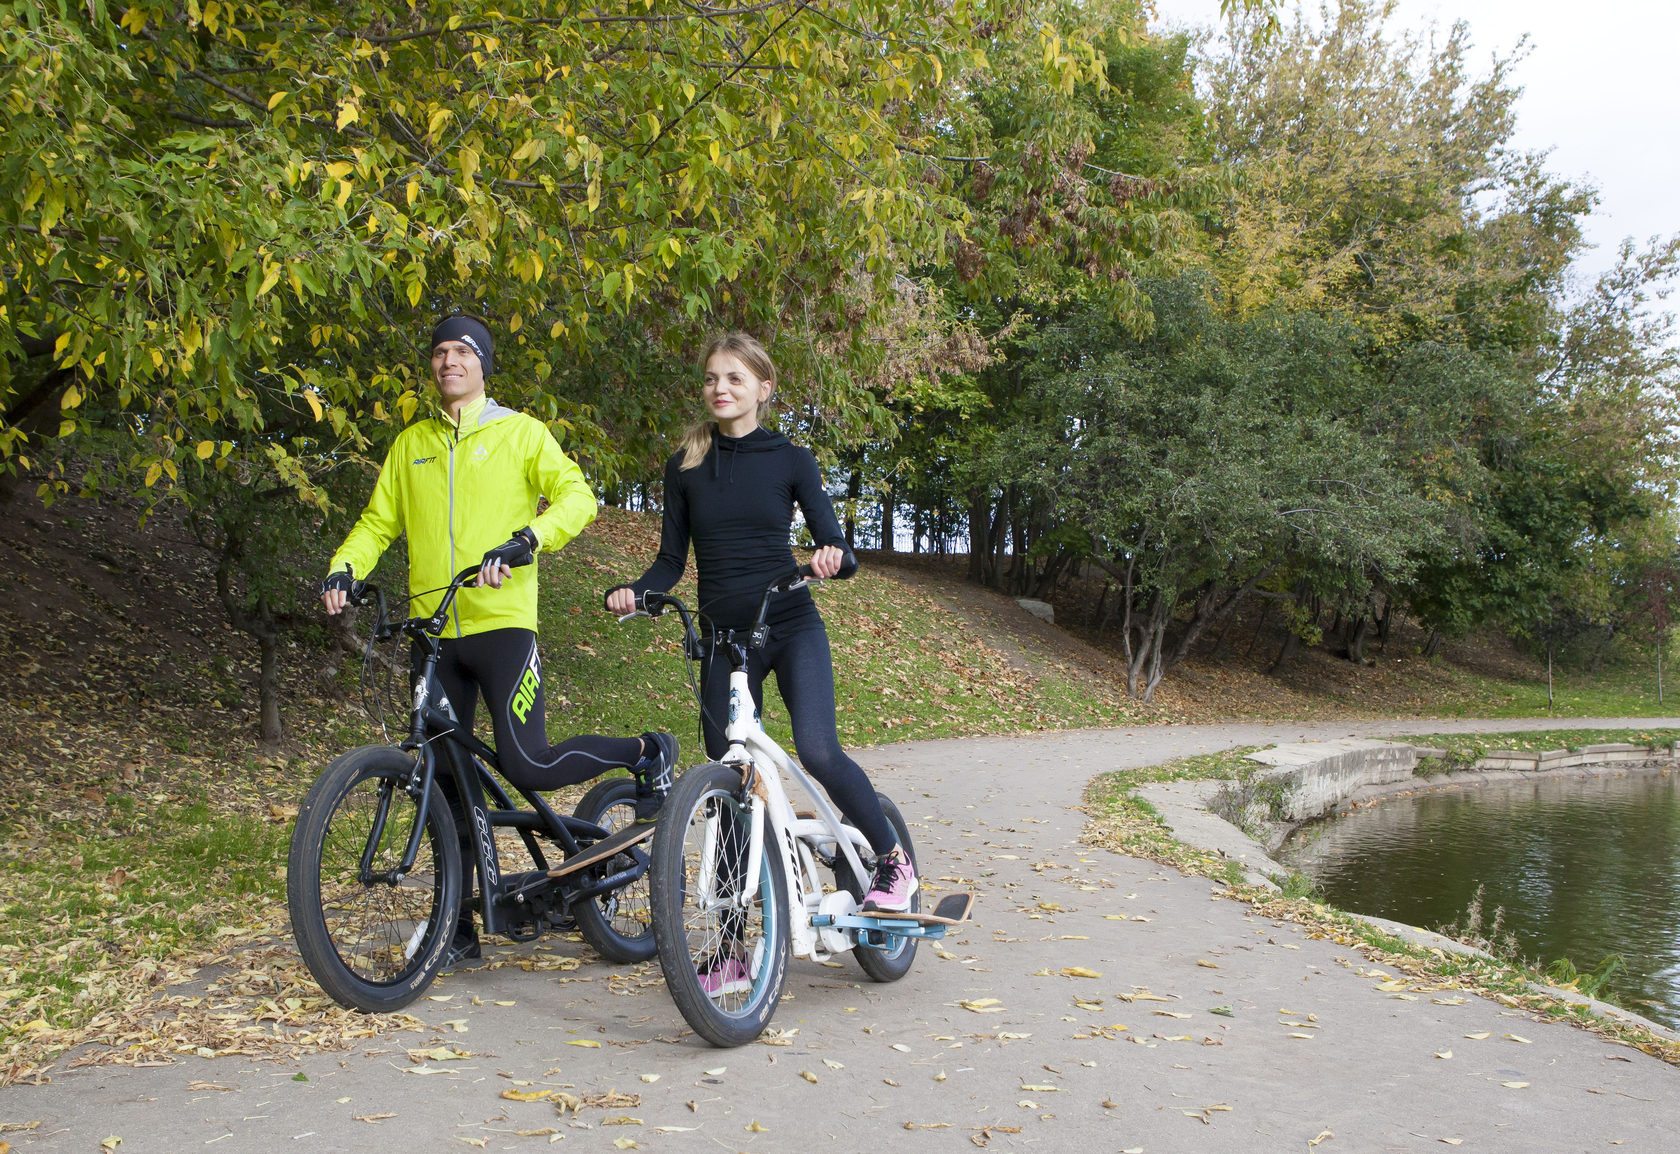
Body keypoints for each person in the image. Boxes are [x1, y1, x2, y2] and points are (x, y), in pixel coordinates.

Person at [322, 313, 677, 967]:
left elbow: (577, 497)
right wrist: (347, 565)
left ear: (482, 364)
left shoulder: (520, 434)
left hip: (504, 627)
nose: (448, 361)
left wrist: (528, 540)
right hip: (434, 635)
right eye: (439, 352)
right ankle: (455, 928)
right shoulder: (412, 445)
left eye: (462, 351)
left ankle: (646, 749)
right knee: (445, 785)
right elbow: (377, 523)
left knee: (526, 763)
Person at [605, 333, 917, 931]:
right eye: (711, 379)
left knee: (819, 750)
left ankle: (892, 861)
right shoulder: (686, 466)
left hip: (790, 623)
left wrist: (831, 556)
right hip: (724, 639)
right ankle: (726, 943)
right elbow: (672, 562)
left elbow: (836, 543)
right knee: (727, 776)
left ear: (762, 389)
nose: (720, 389)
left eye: (735, 379)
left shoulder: (791, 459)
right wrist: (639, 592)